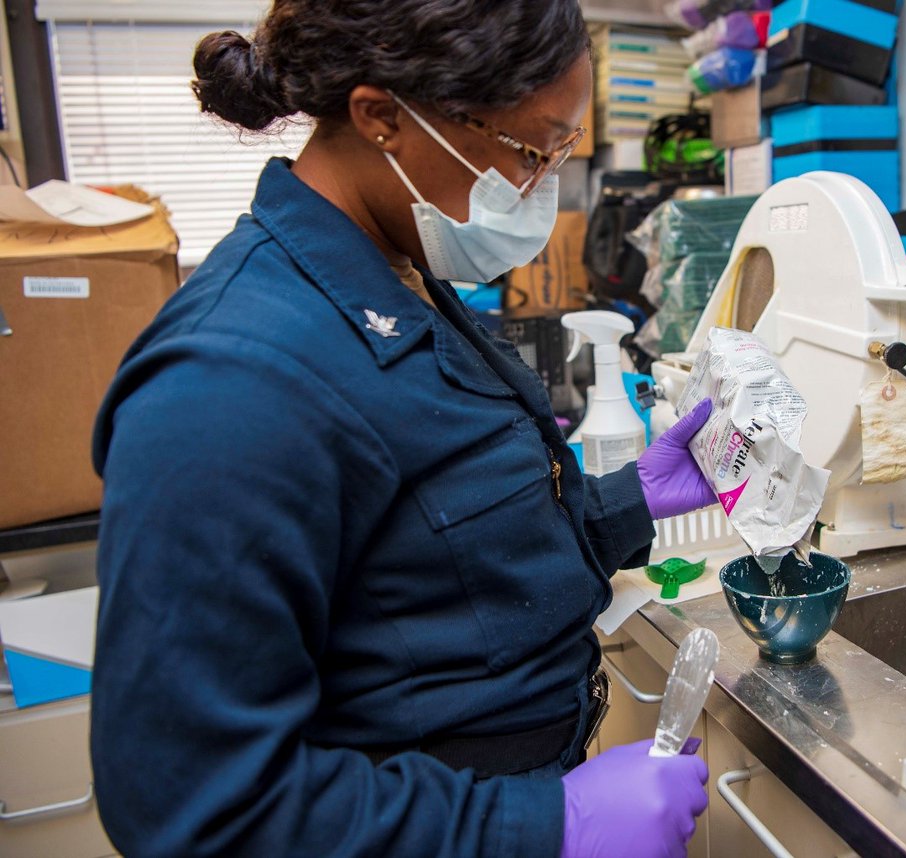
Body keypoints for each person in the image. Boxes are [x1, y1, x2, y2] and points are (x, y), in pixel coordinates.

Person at [89, 2, 719, 857]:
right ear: (383, 115)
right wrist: (544, 827)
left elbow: (444, 558)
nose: (544, 187)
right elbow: (195, 802)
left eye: (564, 151)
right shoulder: (229, 385)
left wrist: (625, 504)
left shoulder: (399, 270)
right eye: (533, 151)